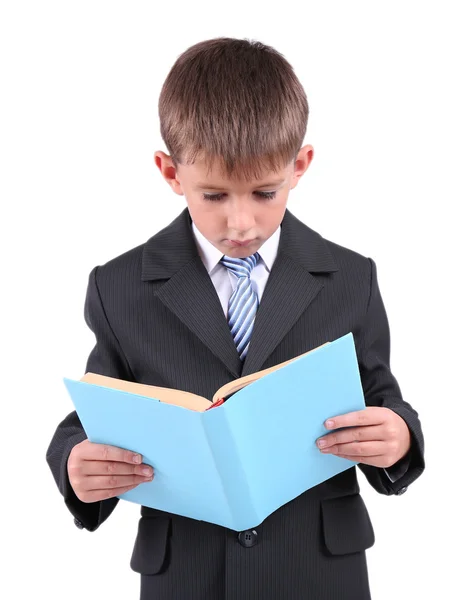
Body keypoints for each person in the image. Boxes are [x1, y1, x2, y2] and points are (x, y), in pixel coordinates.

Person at [46, 37, 425, 600]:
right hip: (188, 574)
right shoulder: (119, 286)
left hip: (318, 572)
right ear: (170, 173)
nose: (241, 221)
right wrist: (75, 462)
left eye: (265, 192)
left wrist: (399, 438)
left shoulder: (351, 278)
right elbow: (98, 410)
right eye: (214, 195)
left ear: (300, 166)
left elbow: (382, 397)